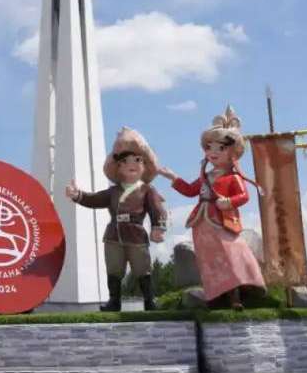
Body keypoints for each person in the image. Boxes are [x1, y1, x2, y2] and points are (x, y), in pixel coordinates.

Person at [157, 105, 265, 311]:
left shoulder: (233, 177)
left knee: (231, 254)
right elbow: (190, 190)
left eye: (220, 148)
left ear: (232, 152)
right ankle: (215, 295)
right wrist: (173, 178)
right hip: (203, 223)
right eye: (209, 147)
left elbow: (244, 195)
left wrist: (229, 202)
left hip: (223, 222)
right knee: (209, 260)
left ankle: (235, 296)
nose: (213, 152)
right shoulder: (205, 177)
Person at [66, 127, 168, 311]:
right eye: (125, 161)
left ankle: (149, 301)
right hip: (114, 236)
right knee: (114, 269)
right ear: (119, 167)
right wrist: (77, 195)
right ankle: (114, 302)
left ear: (144, 165)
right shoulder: (113, 192)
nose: (132, 164)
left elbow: (157, 209)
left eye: (137, 160)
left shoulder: (147, 190)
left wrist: (158, 227)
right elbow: (94, 199)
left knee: (142, 268)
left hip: (136, 235)